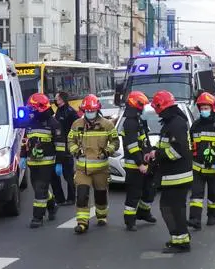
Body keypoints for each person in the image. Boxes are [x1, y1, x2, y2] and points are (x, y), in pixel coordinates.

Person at [145, 90, 193, 253]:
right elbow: (168, 146)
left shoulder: (175, 123)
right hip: (173, 176)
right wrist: (154, 151)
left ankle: (181, 241)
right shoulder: (172, 122)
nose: (156, 111)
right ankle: (179, 239)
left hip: (177, 176)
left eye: (157, 108)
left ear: (161, 106)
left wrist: (157, 154)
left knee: (171, 208)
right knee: (171, 208)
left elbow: (177, 151)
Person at [67, 94, 120, 234]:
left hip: (100, 168)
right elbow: (70, 141)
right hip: (82, 169)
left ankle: (101, 216)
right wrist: (75, 151)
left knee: (100, 194)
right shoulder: (77, 124)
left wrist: (107, 151)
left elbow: (115, 142)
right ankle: (82, 223)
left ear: (97, 110)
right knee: (82, 194)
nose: (89, 113)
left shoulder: (107, 125)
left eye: (92, 111)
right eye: (87, 111)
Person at [20, 93, 65, 228]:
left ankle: (37, 217)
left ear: (40, 108)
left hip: (47, 163)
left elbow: (60, 146)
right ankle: (52, 206)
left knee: (40, 188)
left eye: (32, 108)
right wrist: (22, 156)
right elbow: (25, 141)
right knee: (38, 189)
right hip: (32, 162)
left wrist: (59, 163)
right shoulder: (30, 122)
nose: (30, 111)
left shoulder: (54, 123)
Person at [188, 92, 215, 230]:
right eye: (201, 108)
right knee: (196, 195)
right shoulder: (195, 126)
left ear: (213, 108)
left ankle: (212, 215)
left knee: (214, 195)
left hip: (214, 168)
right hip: (198, 168)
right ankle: (195, 219)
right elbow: (190, 144)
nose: (203, 110)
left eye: (206, 107)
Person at [121, 91, 157, 231]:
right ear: (136, 105)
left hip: (145, 161)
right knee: (134, 193)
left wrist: (151, 152)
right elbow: (132, 146)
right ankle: (130, 221)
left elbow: (144, 141)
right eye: (142, 105)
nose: (144, 108)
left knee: (149, 190)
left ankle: (144, 213)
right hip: (135, 165)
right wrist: (140, 163)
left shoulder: (138, 120)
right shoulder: (130, 123)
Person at [53, 91, 80, 206]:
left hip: (67, 147)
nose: (55, 100)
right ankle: (60, 199)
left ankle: (71, 198)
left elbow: (77, 127)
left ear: (62, 100)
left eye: (56, 98)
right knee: (56, 175)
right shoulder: (59, 111)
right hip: (58, 145)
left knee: (68, 174)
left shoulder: (70, 112)